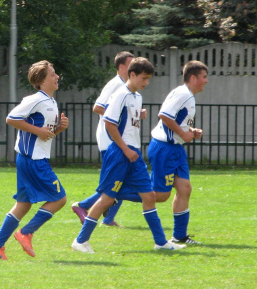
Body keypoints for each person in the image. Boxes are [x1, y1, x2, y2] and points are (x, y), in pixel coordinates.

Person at [71, 57, 186, 253]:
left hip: (134, 154)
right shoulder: (120, 95)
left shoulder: (136, 97)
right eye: (144, 78)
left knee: (149, 195)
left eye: (148, 78)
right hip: (120, 153)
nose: (146, 83)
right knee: (107, 199)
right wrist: (125, 149)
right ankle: (80, 241)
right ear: (131, 75)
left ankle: (160, 242)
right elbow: (109, 123)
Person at [0, 60, 69, 260]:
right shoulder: (36, 99)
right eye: (52, 74)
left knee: (23, 205)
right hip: (34, 161)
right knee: (59, 199)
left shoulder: (51, 102)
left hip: (30, 159)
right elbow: (11, 118)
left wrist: (59, 128)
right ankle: (26, 233)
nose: (57, 77)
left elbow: (44, 135)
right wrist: (39, 130)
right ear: (41, 80)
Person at [71, 51, 144, 228]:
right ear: (121, 67)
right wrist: (118, 116)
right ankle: (83, 206)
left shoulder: (129, 88)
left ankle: (107, 217)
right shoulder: (115, 85)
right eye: (130, 64)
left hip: (118, 139)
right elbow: (98, 107)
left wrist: (135, 114)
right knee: (115, 182)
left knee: (119, 180)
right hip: (110, 139)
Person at [148, 60, 208, 245]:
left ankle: (179, 236)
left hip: (176, 149)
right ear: (193, 77)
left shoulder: (187, 95)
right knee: (160, 196)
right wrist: (183, 133)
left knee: (185, 188)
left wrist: (190, 131)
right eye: (204, 77)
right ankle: (113, 196)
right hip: (164, 149)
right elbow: (164, 115)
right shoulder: (183, 94)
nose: (206, 81)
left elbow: (177, 121)